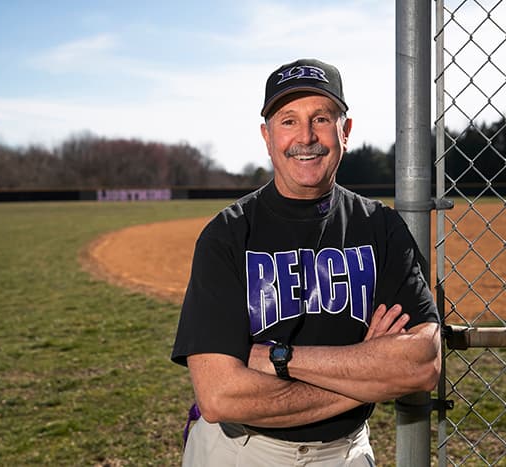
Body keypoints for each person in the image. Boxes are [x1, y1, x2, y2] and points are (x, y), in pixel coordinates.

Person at [171, 58, 441, 466]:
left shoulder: (380, 227)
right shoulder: (226, 235)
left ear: (344, 131)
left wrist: (276, 358)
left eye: (320, 118)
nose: (306, 137)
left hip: (344, 454)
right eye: (288, 121)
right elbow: (220, 395)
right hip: (240, 451)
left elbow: (421, 364)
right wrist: (369, 374)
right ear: (267, 136)